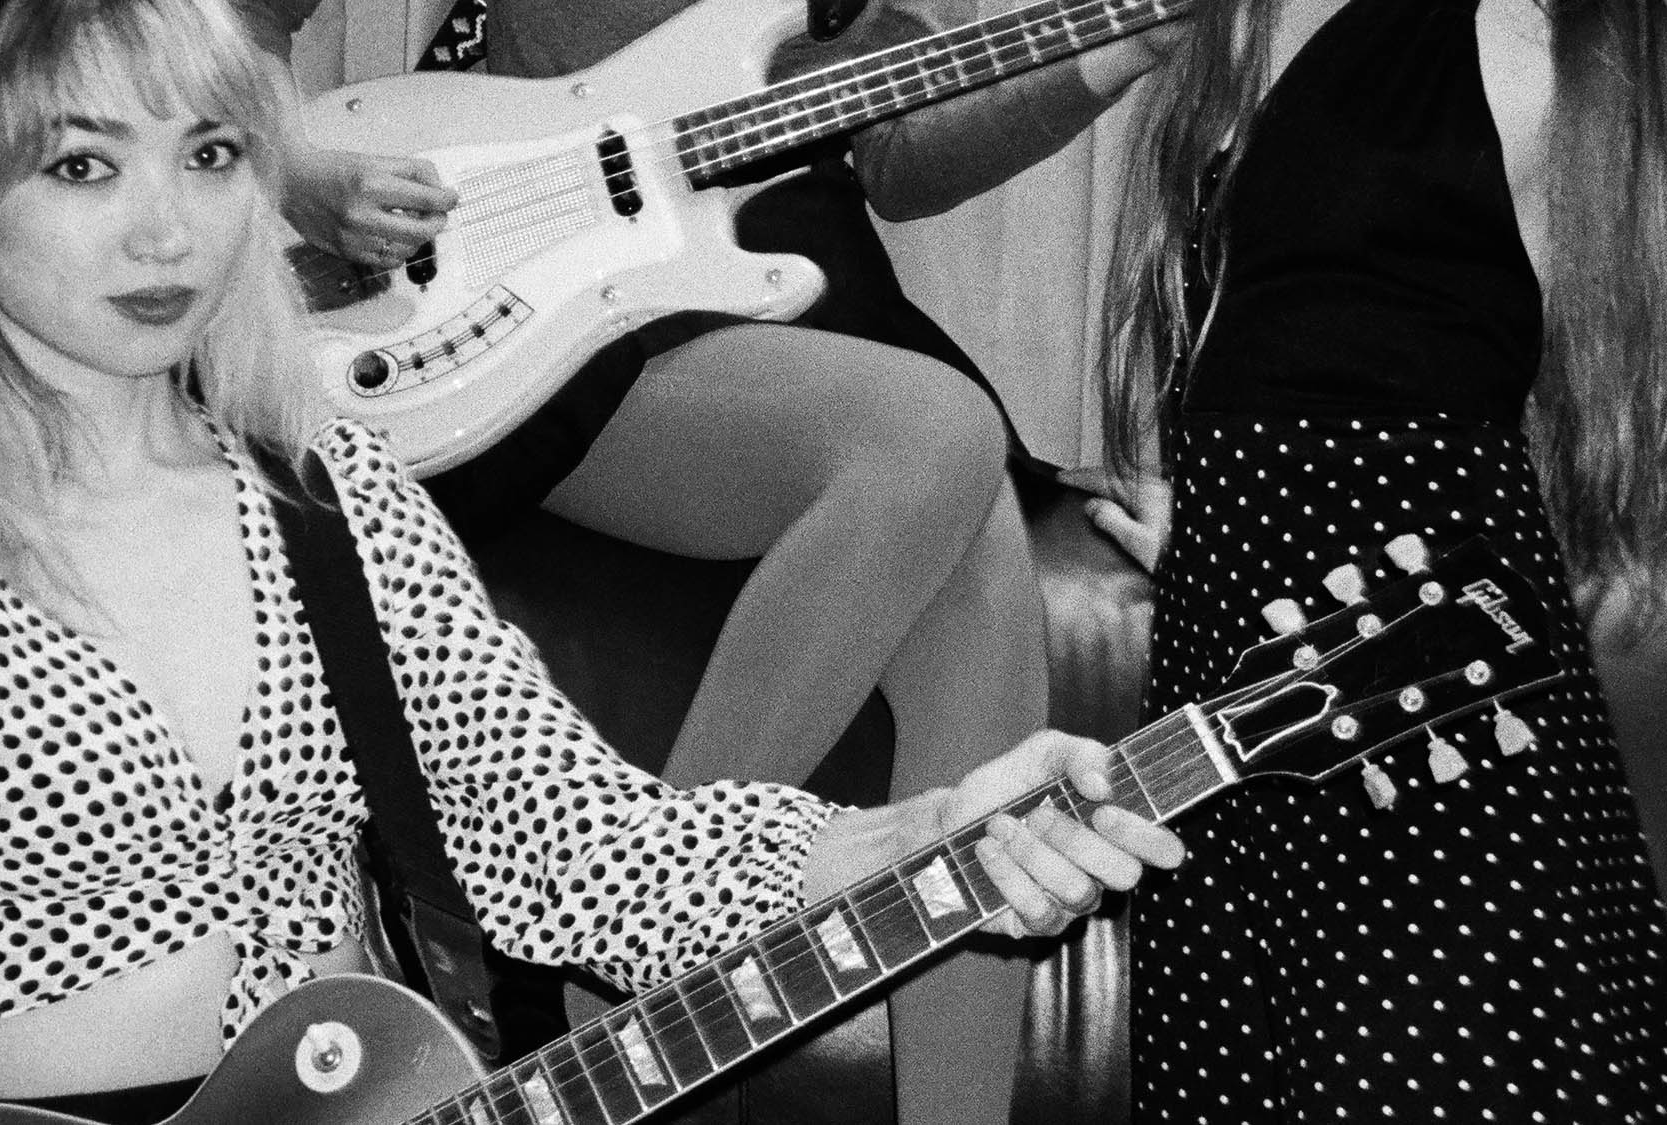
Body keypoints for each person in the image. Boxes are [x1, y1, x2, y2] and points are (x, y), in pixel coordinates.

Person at [0, 2, 1188, 1122]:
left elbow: (586, 849)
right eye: (81, 167)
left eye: (207, 157)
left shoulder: (334, 497)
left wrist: (928, 832)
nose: (165, 230)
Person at [252, 3, 1186, 1121]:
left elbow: (890, 139)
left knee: (971, 518)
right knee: (938, 433)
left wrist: (1106, 54)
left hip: (774, 261)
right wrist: (283, 158)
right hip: (529, 280)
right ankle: (629, 978)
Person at [1076, 0, 1667, 1118]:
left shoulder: (1525, 41)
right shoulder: (1233, 34)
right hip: (1235, 675)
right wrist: (1218, 532)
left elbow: (1581, 387)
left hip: (1423, 664)